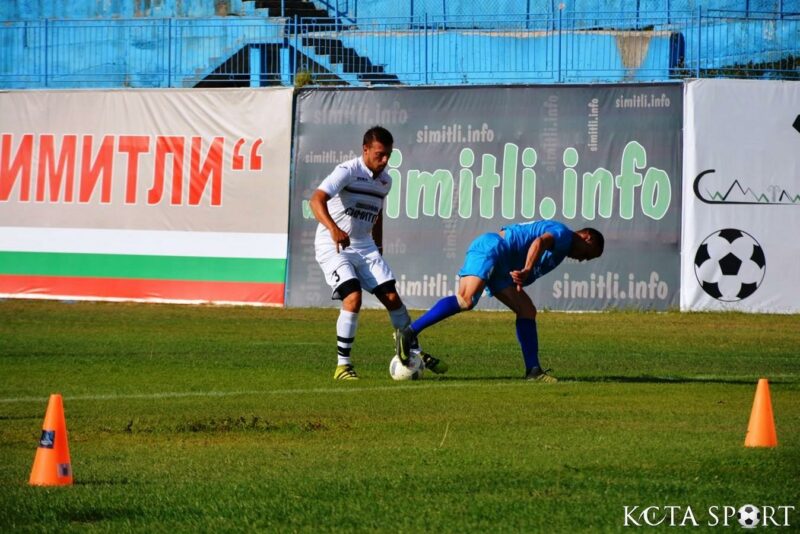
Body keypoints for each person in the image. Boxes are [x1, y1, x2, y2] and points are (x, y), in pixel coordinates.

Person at [310, 126, 447, 380]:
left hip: (365, 246)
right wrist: (333, 229)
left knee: (392, 299)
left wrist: (378, 245)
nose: (384, 160)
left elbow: (377, 212)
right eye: (379, 154)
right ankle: (343, 366)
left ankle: (413, 351)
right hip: (334, 245)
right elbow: (316, 199)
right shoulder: (347, 171)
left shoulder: (385, 181)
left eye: (388, 155)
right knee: (353, 297)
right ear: (365, 150)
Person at [396, 220, 604, 382]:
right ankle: (410, 332)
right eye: (588, 255)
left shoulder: (562, 246)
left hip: (502, 264)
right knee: (466, 300)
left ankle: (533, 371)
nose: (582, 259)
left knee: (527, 310)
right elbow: (539, 242)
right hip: (493, 247)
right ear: (587, 238)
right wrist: (527, 269)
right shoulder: (564, 234)